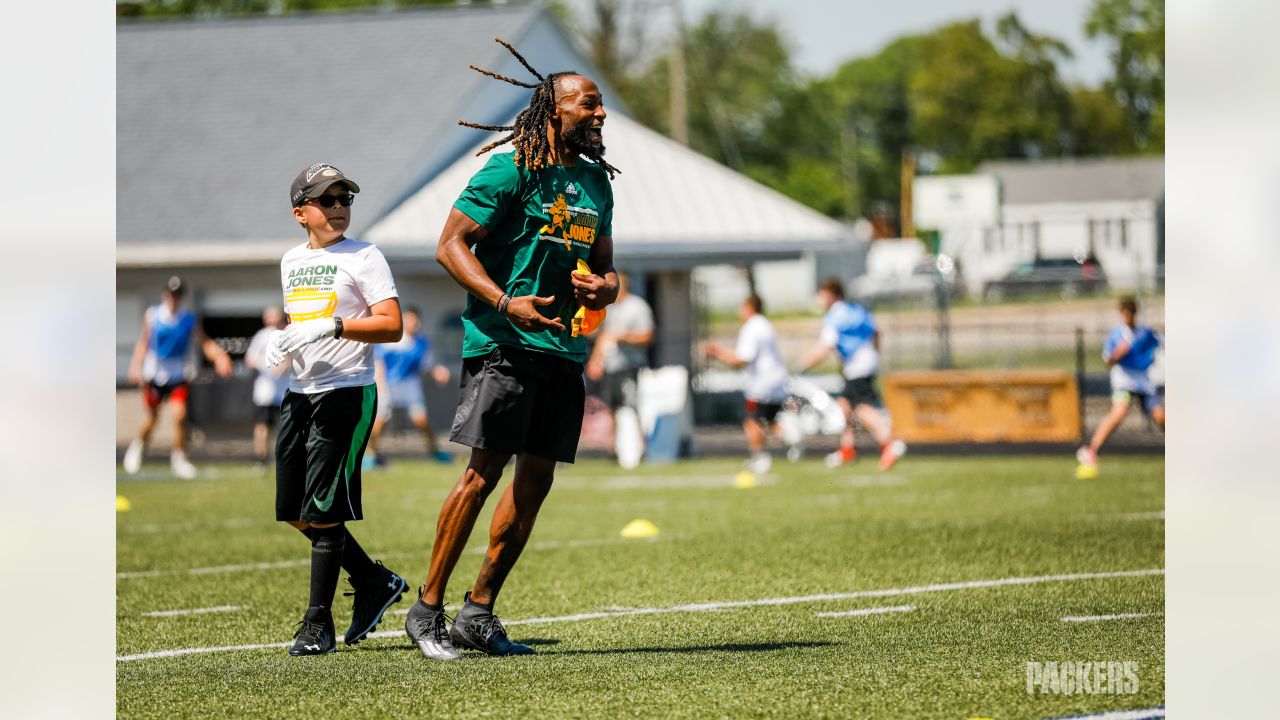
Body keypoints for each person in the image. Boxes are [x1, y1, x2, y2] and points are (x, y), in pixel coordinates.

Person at [404, 38, 619, 661]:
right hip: (503, 342)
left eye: (601, 105)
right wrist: (505, 302)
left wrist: (600, 288)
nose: (600, 114)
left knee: (535, 484)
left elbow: (608, 272)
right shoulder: (509, 170)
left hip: (563, 352)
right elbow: (449, 246)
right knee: (481, 475)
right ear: (554, 111)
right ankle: (427, 609)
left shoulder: (596, 184)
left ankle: (479, 612)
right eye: (589, 104)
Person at [265, 163, 409, 656]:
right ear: (300, 212)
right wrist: (285, 340)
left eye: (345, 198)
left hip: (346, 391)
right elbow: (299, 319)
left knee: (323, 512)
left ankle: (316, 624)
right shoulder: (289, 260)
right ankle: (373, 581)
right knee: (294, 511)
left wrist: (334, 327)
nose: (340, 207)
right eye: (327, 200)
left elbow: (391, 326)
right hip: (299, 391)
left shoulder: (366, 255)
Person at [122, 275, 233, 479]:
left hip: (177, 374)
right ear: (165, 295)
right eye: (171, 294)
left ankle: (179, 458)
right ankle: (137, 447)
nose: (174, 299)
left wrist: (220, 356)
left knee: (180, 415)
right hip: (154, 373)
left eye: (178, 295)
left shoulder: (188, 319)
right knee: (152, 419)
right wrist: (135, 366)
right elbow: (143, 342)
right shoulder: (153, 315)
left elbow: (204, 342)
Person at [796, 277, 906, 471]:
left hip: (856, 365)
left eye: (822, 295)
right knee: (845, 405)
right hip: (868, 360)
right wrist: (875, 353)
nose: (820, 299)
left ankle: (889, 443)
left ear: (830, 294)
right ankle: (847, 449)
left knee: (862, 407)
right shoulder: (856, 310)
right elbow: (876, 331)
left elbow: (825, 347)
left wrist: (802, 364)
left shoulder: (834, 316)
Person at [702, 294, 790, 474]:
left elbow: (742, 359)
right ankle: (793, 437)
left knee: (752, 421)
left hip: (761, 382)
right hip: (777, 379)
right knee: (771, 420)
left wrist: (717, 351)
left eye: (741, 308)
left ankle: (760, 457)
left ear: (749, 308)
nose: (739, 312)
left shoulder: (752, 327)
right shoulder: (766, 325)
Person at [1076, 296, 1164, 476]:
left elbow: (1162, 343)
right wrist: (1117, 353)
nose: (1127, 317)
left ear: (1134, 313)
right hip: (1124, 380)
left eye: (1130, 313)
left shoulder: (1145, 333)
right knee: (1119, 412)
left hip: (1144, 381)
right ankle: (1091, 450)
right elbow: (1107, 360)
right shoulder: (1117, 334)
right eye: (1124, 313)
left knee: (1161, 416)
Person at [367, 306, 453, 467]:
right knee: (380, 421)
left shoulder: (422, 343)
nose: (412, 322)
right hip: (388, 383)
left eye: (415, 319)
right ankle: (371, 454)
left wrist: (437, 371)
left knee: (421, 420)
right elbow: (379, 363)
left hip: (410, 384)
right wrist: (380, 384)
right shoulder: (390, 339)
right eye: (408, 319)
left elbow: (427, 365)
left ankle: (435, 451)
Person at [585, 272, 654, 431]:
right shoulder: (610, 307)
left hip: (631, 367)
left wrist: (624, 336)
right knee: (611, 407)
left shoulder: (637, 306)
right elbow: (604, 336)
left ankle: (639, 445)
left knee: (632, 406)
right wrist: (596, 361)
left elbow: (648, 336)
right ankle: (616, 448)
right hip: (611, 367)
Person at [244, 306, 291, 473]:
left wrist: (284, 366)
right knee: (262, 426)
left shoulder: (287, 334)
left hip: (285, 390)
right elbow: (250, 359)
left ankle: (286, 459)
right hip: (265, 392)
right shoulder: (261, 337)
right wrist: (268, 367)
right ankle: (261, 460)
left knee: (286, 428)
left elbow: (291, 357)